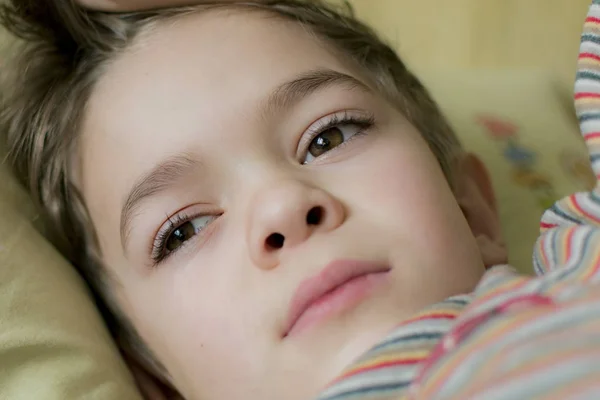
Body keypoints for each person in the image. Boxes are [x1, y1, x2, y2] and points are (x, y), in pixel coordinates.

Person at [2, 0, 598, 399]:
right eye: (181, 230)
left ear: (471, 208)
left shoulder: (582, 266)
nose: (283, 205)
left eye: (328, 136)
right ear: (157, 380)